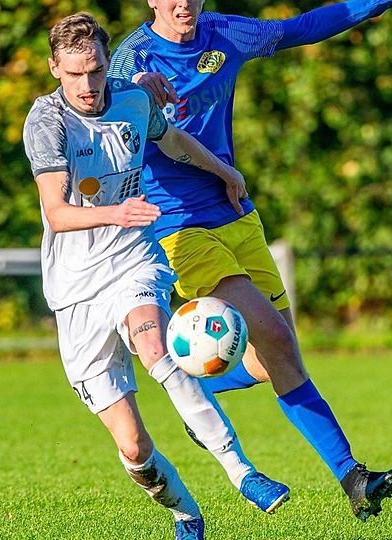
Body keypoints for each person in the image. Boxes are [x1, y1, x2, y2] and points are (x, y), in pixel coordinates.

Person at [108, 0, 392, 521]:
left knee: (279, 357)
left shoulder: (225, 34)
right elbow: (105, 99)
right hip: (177, 226)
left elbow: (301, 29)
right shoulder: (132, 55)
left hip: (236, 213)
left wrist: (371, 4)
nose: (183, 3)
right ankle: (354, 477)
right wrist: (135, 85)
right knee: (269, 330)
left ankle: (198, 385)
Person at [23, 12, 289, 540]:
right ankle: (186, 514)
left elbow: (174, 143)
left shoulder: (133, 99)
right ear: (54, 68)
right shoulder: (47, 123)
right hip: (75, 288)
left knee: (155, 347)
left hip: (132, 261)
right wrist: (116, 212)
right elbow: (57, 213)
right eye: (75, 74)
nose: (88, 86)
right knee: (135, 449)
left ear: (104, 63)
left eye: (96, 71)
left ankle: (242, 472)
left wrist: (224, 171)